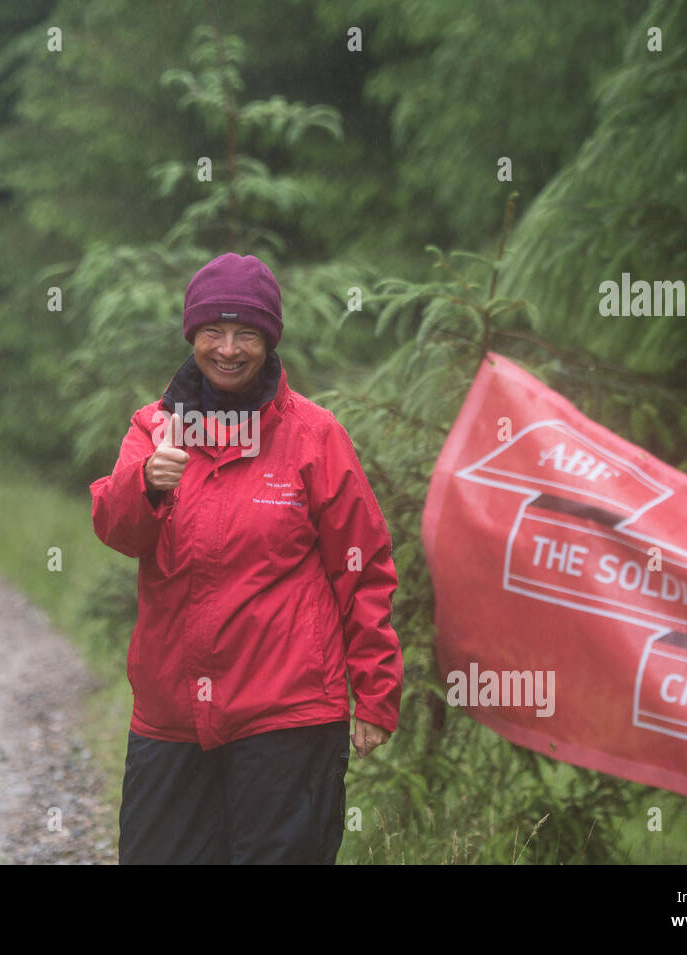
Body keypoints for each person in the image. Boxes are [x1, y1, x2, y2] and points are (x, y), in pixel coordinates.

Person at [91, 252, 403, 865]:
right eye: (213, 331)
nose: (228, 348)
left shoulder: (313, 436)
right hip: (171, 713)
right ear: (192, 335)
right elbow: (117, 529)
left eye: (247, 334)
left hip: (286, 713)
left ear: (269, 340)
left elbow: (362, 567)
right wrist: (146, 483)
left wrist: (375, 692)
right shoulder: (155, 428)